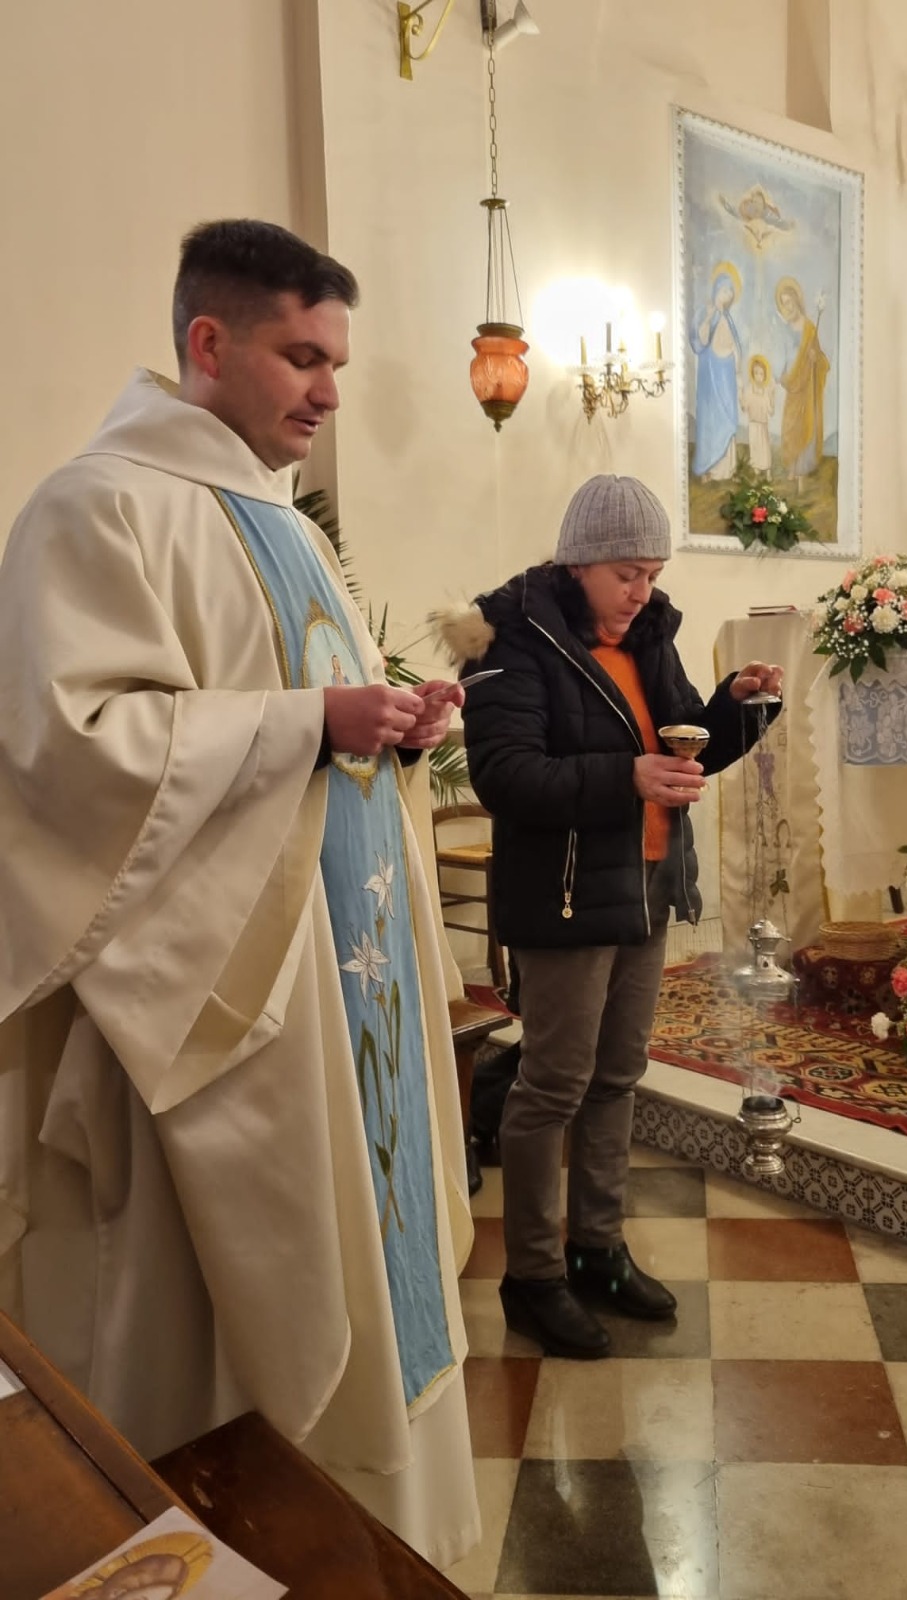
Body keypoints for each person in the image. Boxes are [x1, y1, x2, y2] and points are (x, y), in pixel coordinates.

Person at [0, 219, 479, 1566]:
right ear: (207, 342)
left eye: (337, 364)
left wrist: (392, 727)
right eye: (302, 357)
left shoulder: (288, 526)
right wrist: (310, 721)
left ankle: (364, 1554)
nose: (329, 393)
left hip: (341, 991)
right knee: (211, 1329)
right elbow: (67, 749)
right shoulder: (97, 507)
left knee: (367, 1263)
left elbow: (318, 725)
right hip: (221, 1011)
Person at [443, 474, 782, 1359]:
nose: (642, 590)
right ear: (579, 563)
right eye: (627, 573)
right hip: (563, 895)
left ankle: (597, 1249)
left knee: (618, 1075)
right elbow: (505, 775)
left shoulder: (648, 636)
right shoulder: (513, 639)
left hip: (645, 886)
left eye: (653, 573)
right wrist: (625, 777)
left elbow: (679, 744)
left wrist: (737, 709)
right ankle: (533, 1277)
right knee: (553, 1084)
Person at [775, 276, 829, 482]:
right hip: (792, 381)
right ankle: (792, 465)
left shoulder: (810, 329)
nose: (788, 307)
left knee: (804, 423)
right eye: (784, 303)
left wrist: (816, 359)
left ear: (797, 300)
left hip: (806, 384)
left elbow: (821, 359)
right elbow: (782, 354)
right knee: (791, 424)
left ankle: (802, 468)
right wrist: (781, 374)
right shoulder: (785, 329)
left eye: (790, 301)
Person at [690, 270, 743, 480]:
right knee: (712, 418)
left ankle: (727, 469)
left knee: (728, 416)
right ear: (716, 291)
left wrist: (737, 364)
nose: (727, 295)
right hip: (711, 373)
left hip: (727, 373)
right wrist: (709, 317)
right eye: (724, 291)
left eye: (730, 292)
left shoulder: (728, 318)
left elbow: (734, 344)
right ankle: (709, 468)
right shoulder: (707, 312)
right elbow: (700, 341)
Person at [740, 354, 776, 473]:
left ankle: (767, 471)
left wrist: (772, 395)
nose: (758, 376)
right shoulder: (749, 390)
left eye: (761, 373)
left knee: (764, 448)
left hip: (763, 424)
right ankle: (756, 470)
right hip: (753, 424)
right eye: (756, 373)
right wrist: (740, 395)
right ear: (752, 373)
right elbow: (744, 408)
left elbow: (771, 412)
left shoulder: (766, 391)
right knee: (754, 447)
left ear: (765, 375)